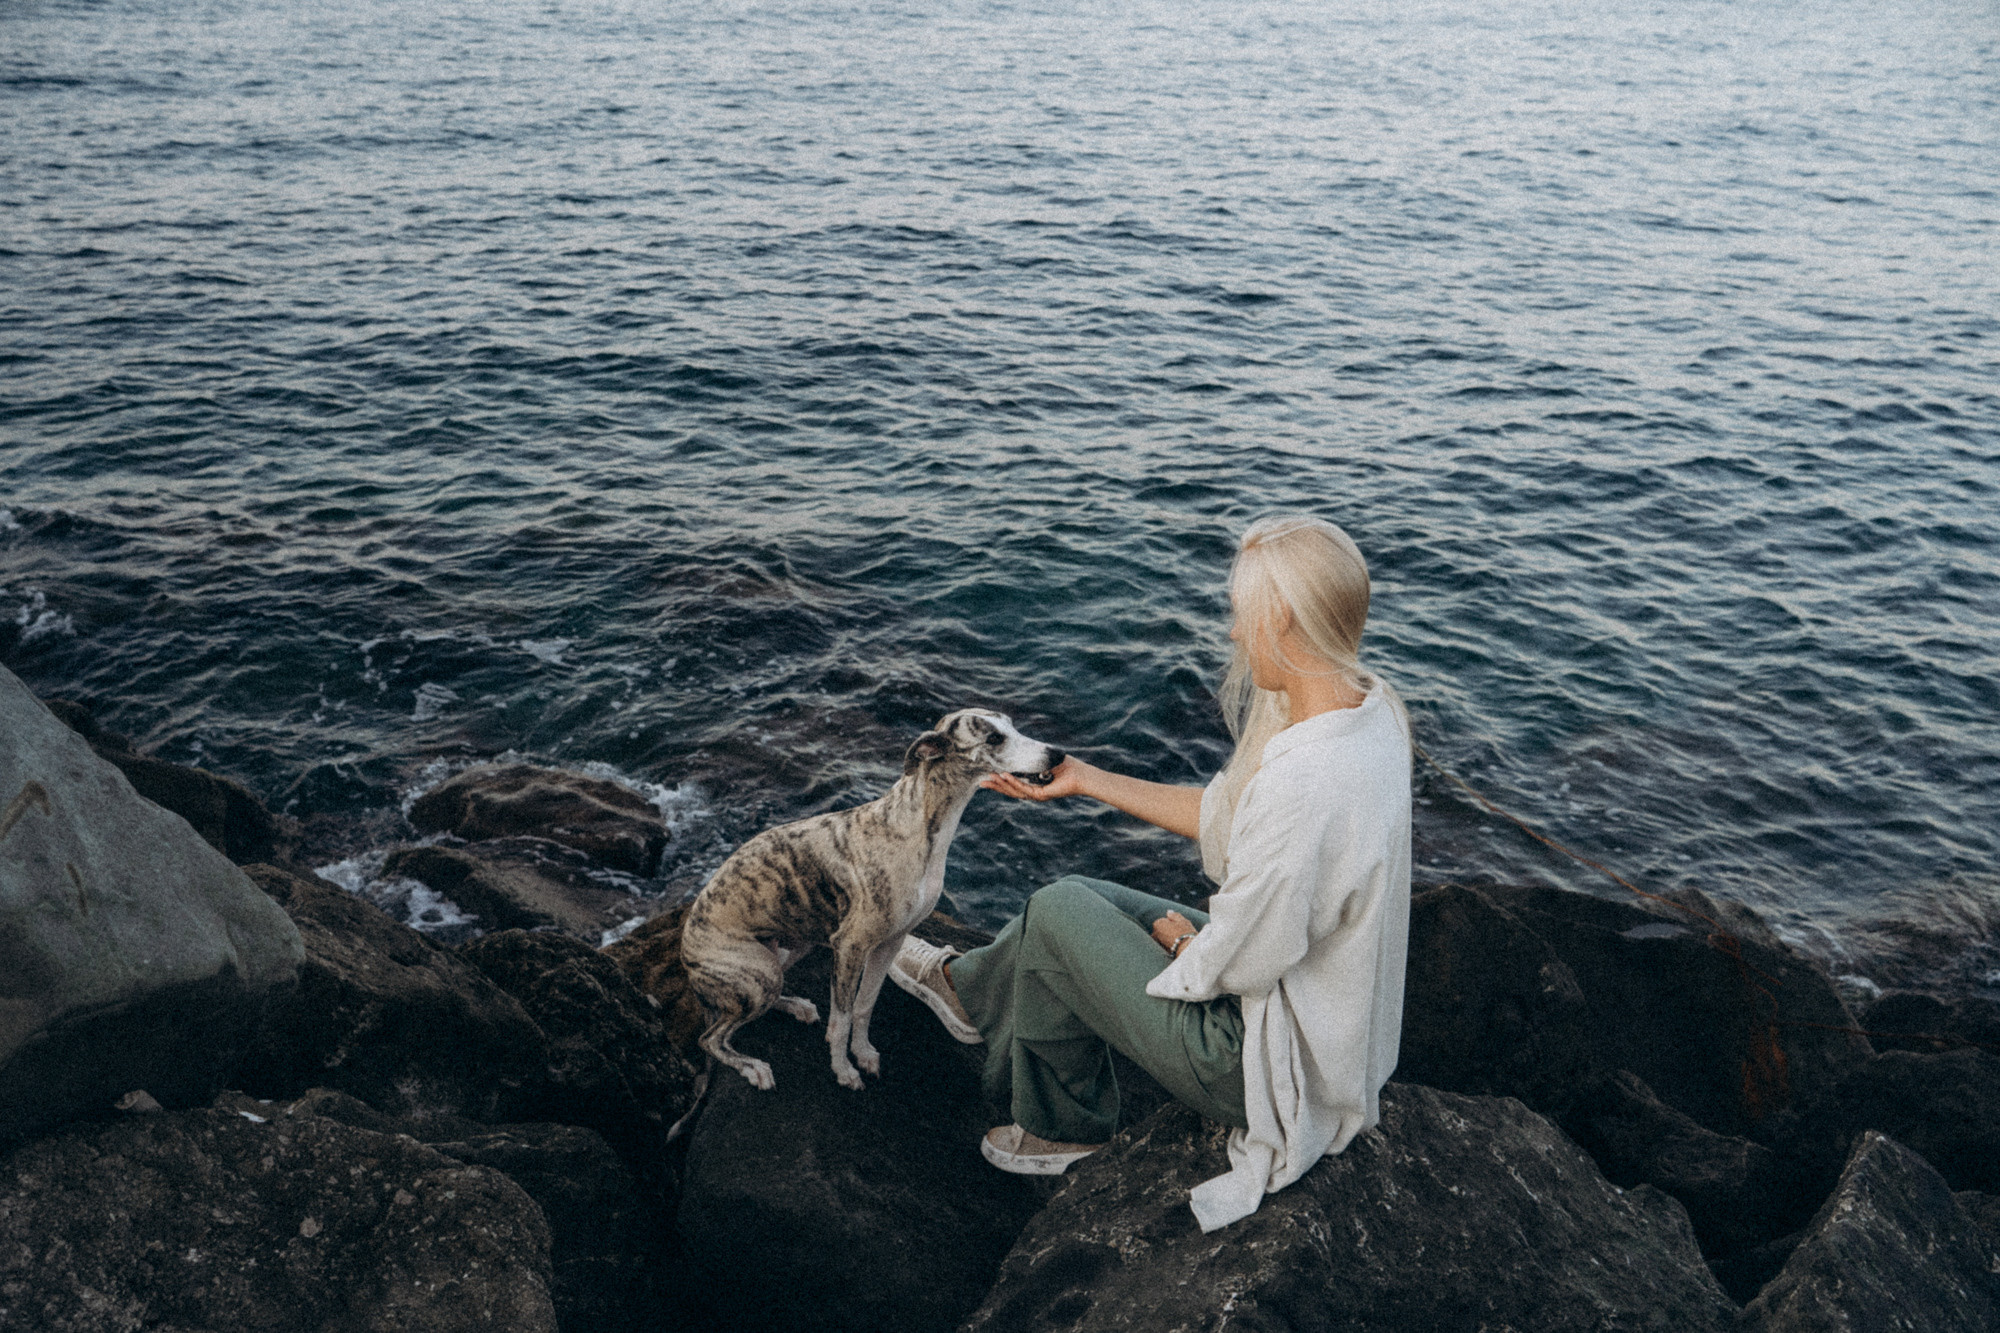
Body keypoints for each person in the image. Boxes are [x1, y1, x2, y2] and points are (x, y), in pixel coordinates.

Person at [890, 513, 1413, 1232]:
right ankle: (967, 989)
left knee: (1058, 910)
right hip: (1321, 1017)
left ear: (1282, 615)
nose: (1233, 633)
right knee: (1078, 903)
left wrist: (1180, 942)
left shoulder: (1308, 780)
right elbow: (1229, 818)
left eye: (1241, 615)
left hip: (1263, 1064)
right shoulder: (1371, 712)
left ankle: (1060, 1127)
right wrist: (1082, 777)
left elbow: (1243, 958)